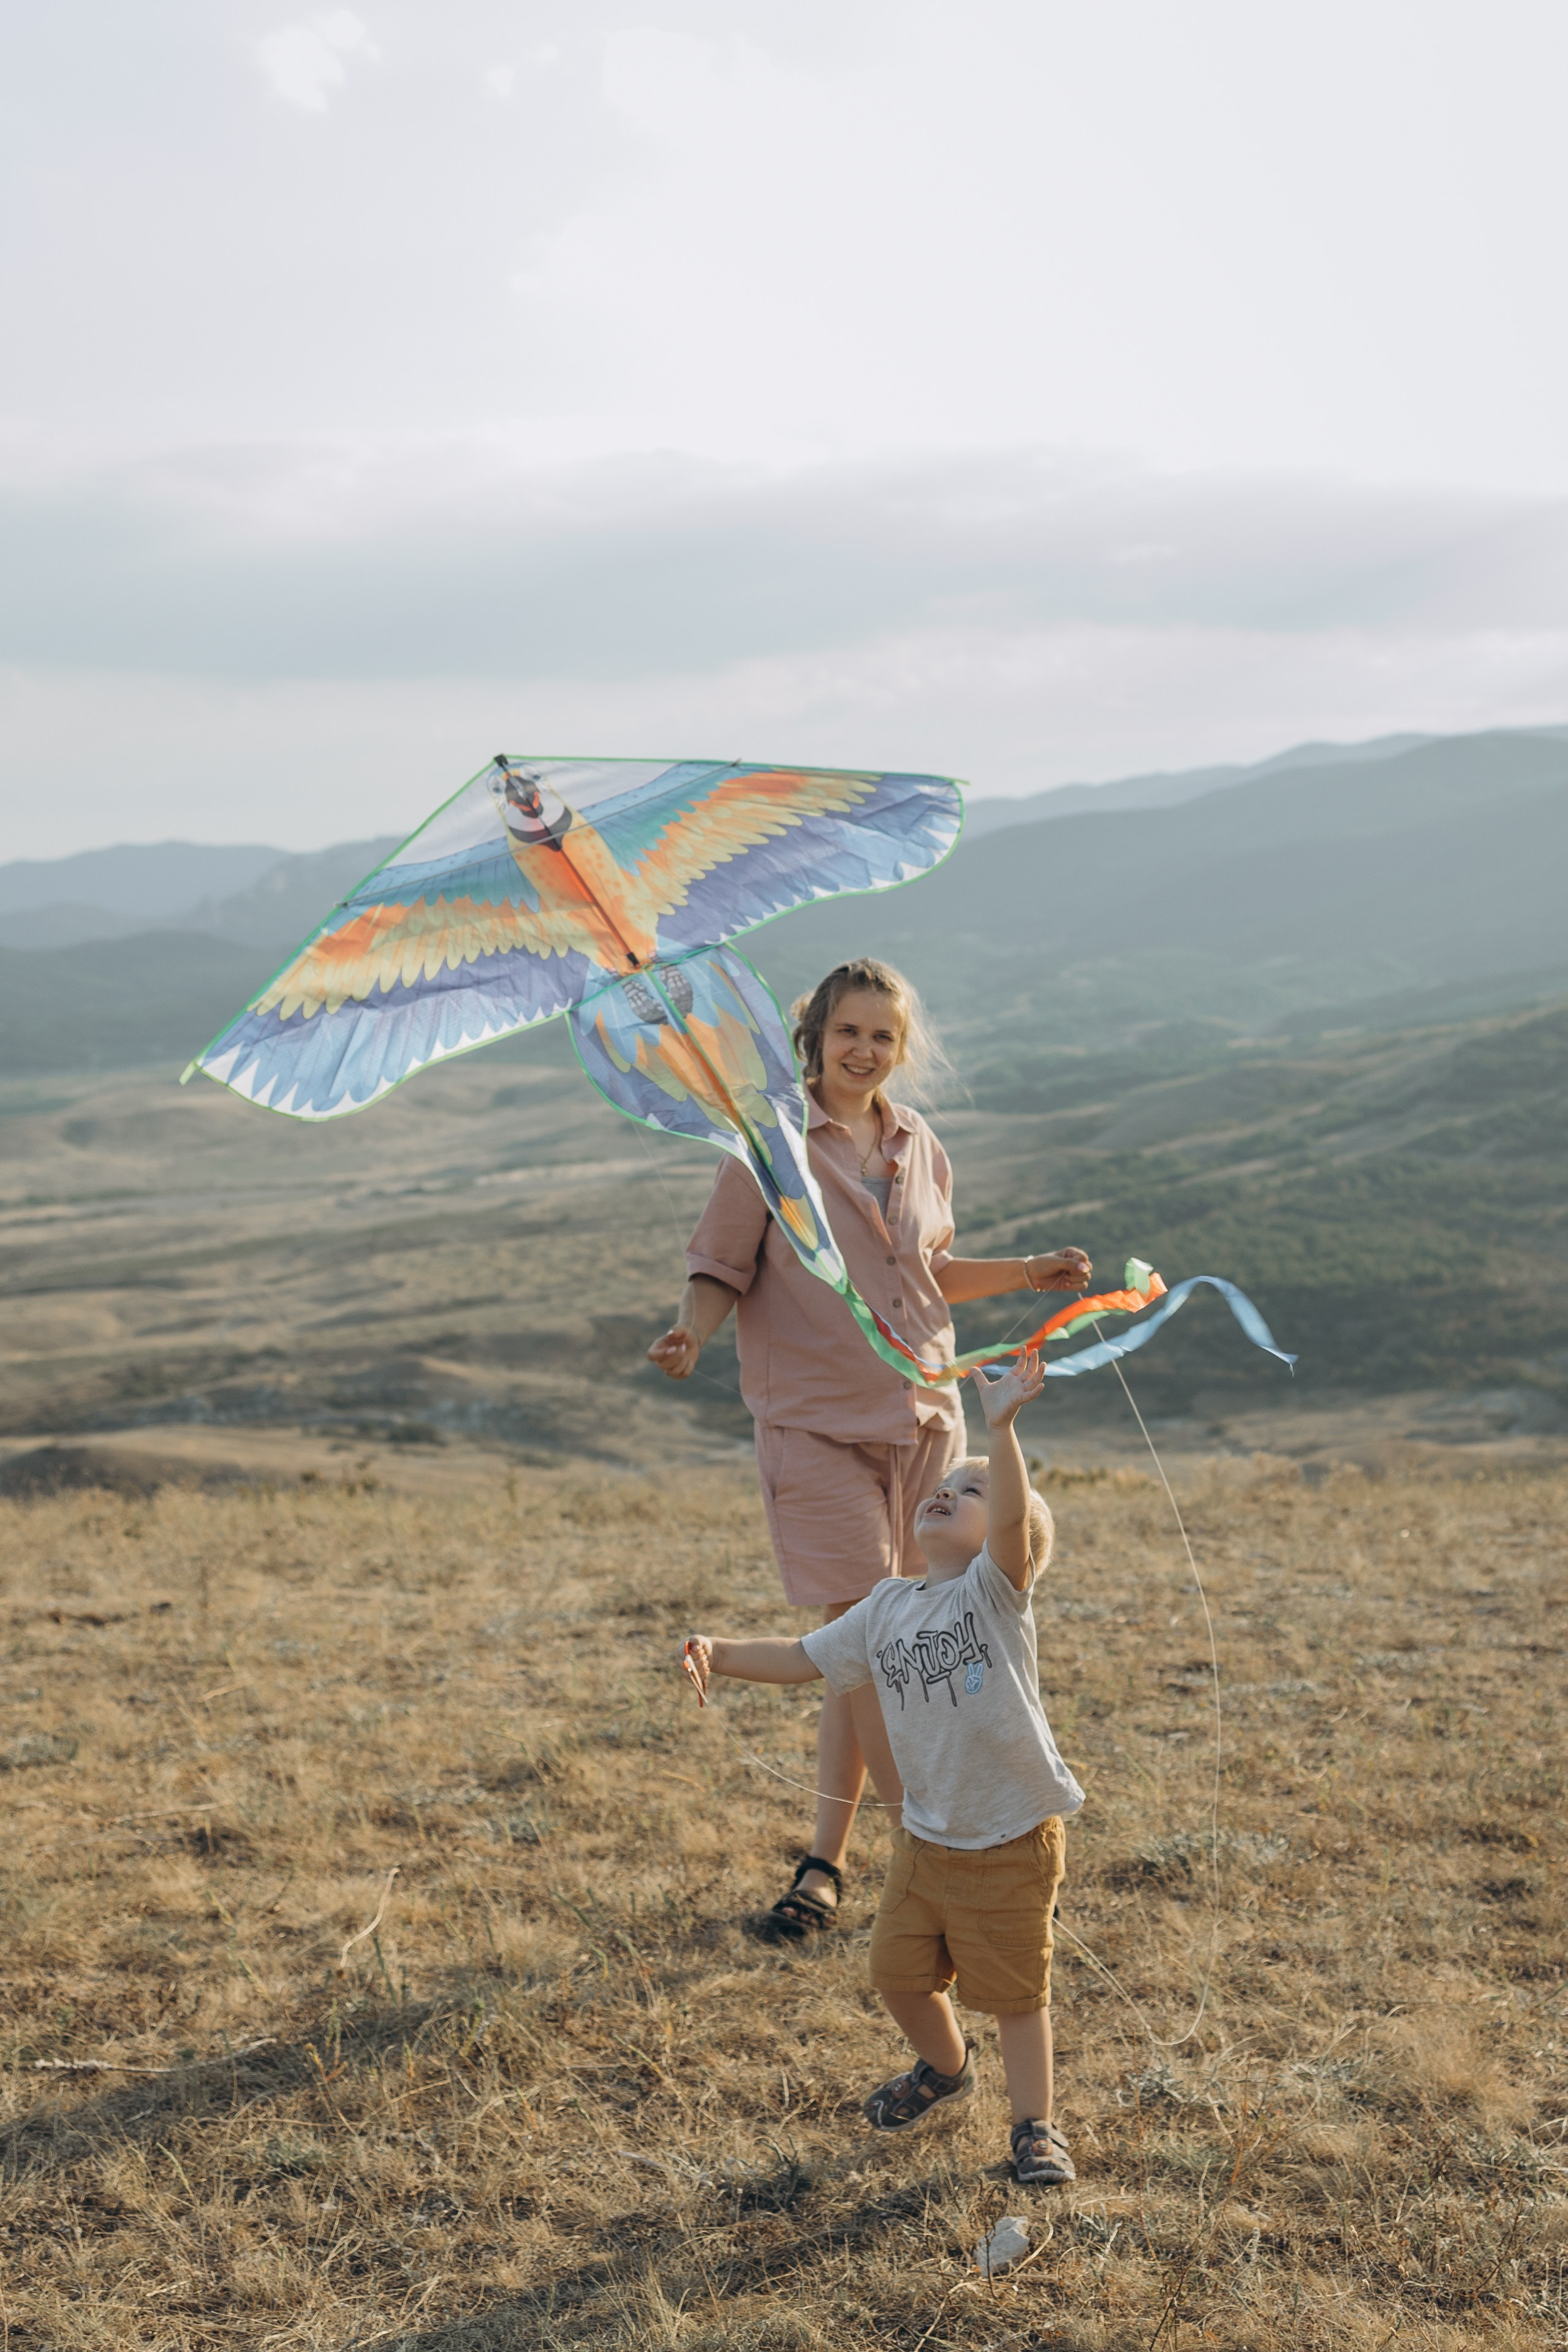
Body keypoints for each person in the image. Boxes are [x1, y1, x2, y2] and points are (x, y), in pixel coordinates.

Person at [647, 957, 1089, 1940]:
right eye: (849, 1032)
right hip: (814, 1425)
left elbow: (927, 1271)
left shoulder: (918, 1141)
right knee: (871, 1640)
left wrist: (1029, 1272)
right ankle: (924, 1859)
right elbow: (719, 1264)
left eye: (884, 1037)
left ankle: (824, 1862)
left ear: (901, 1049)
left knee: (886, 1646)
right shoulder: (765, 1148)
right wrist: (693, 1330)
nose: (866, 1051)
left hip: (927, 1420)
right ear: (814, 1036)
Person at [681, 1347, 1082, 2187]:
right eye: (948, 1485)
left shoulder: (993, 1593)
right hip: (927, 1839)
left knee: (1014, 1991)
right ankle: (945, 2066)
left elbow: (1010, 1521)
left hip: (1010, 1835)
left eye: (972, 1492)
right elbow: (802, 1655)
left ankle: (1035, 2126)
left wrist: (1001, 1428)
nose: (951, 1491)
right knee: (897, 1975)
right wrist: (719, 1650)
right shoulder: (886, 1606)